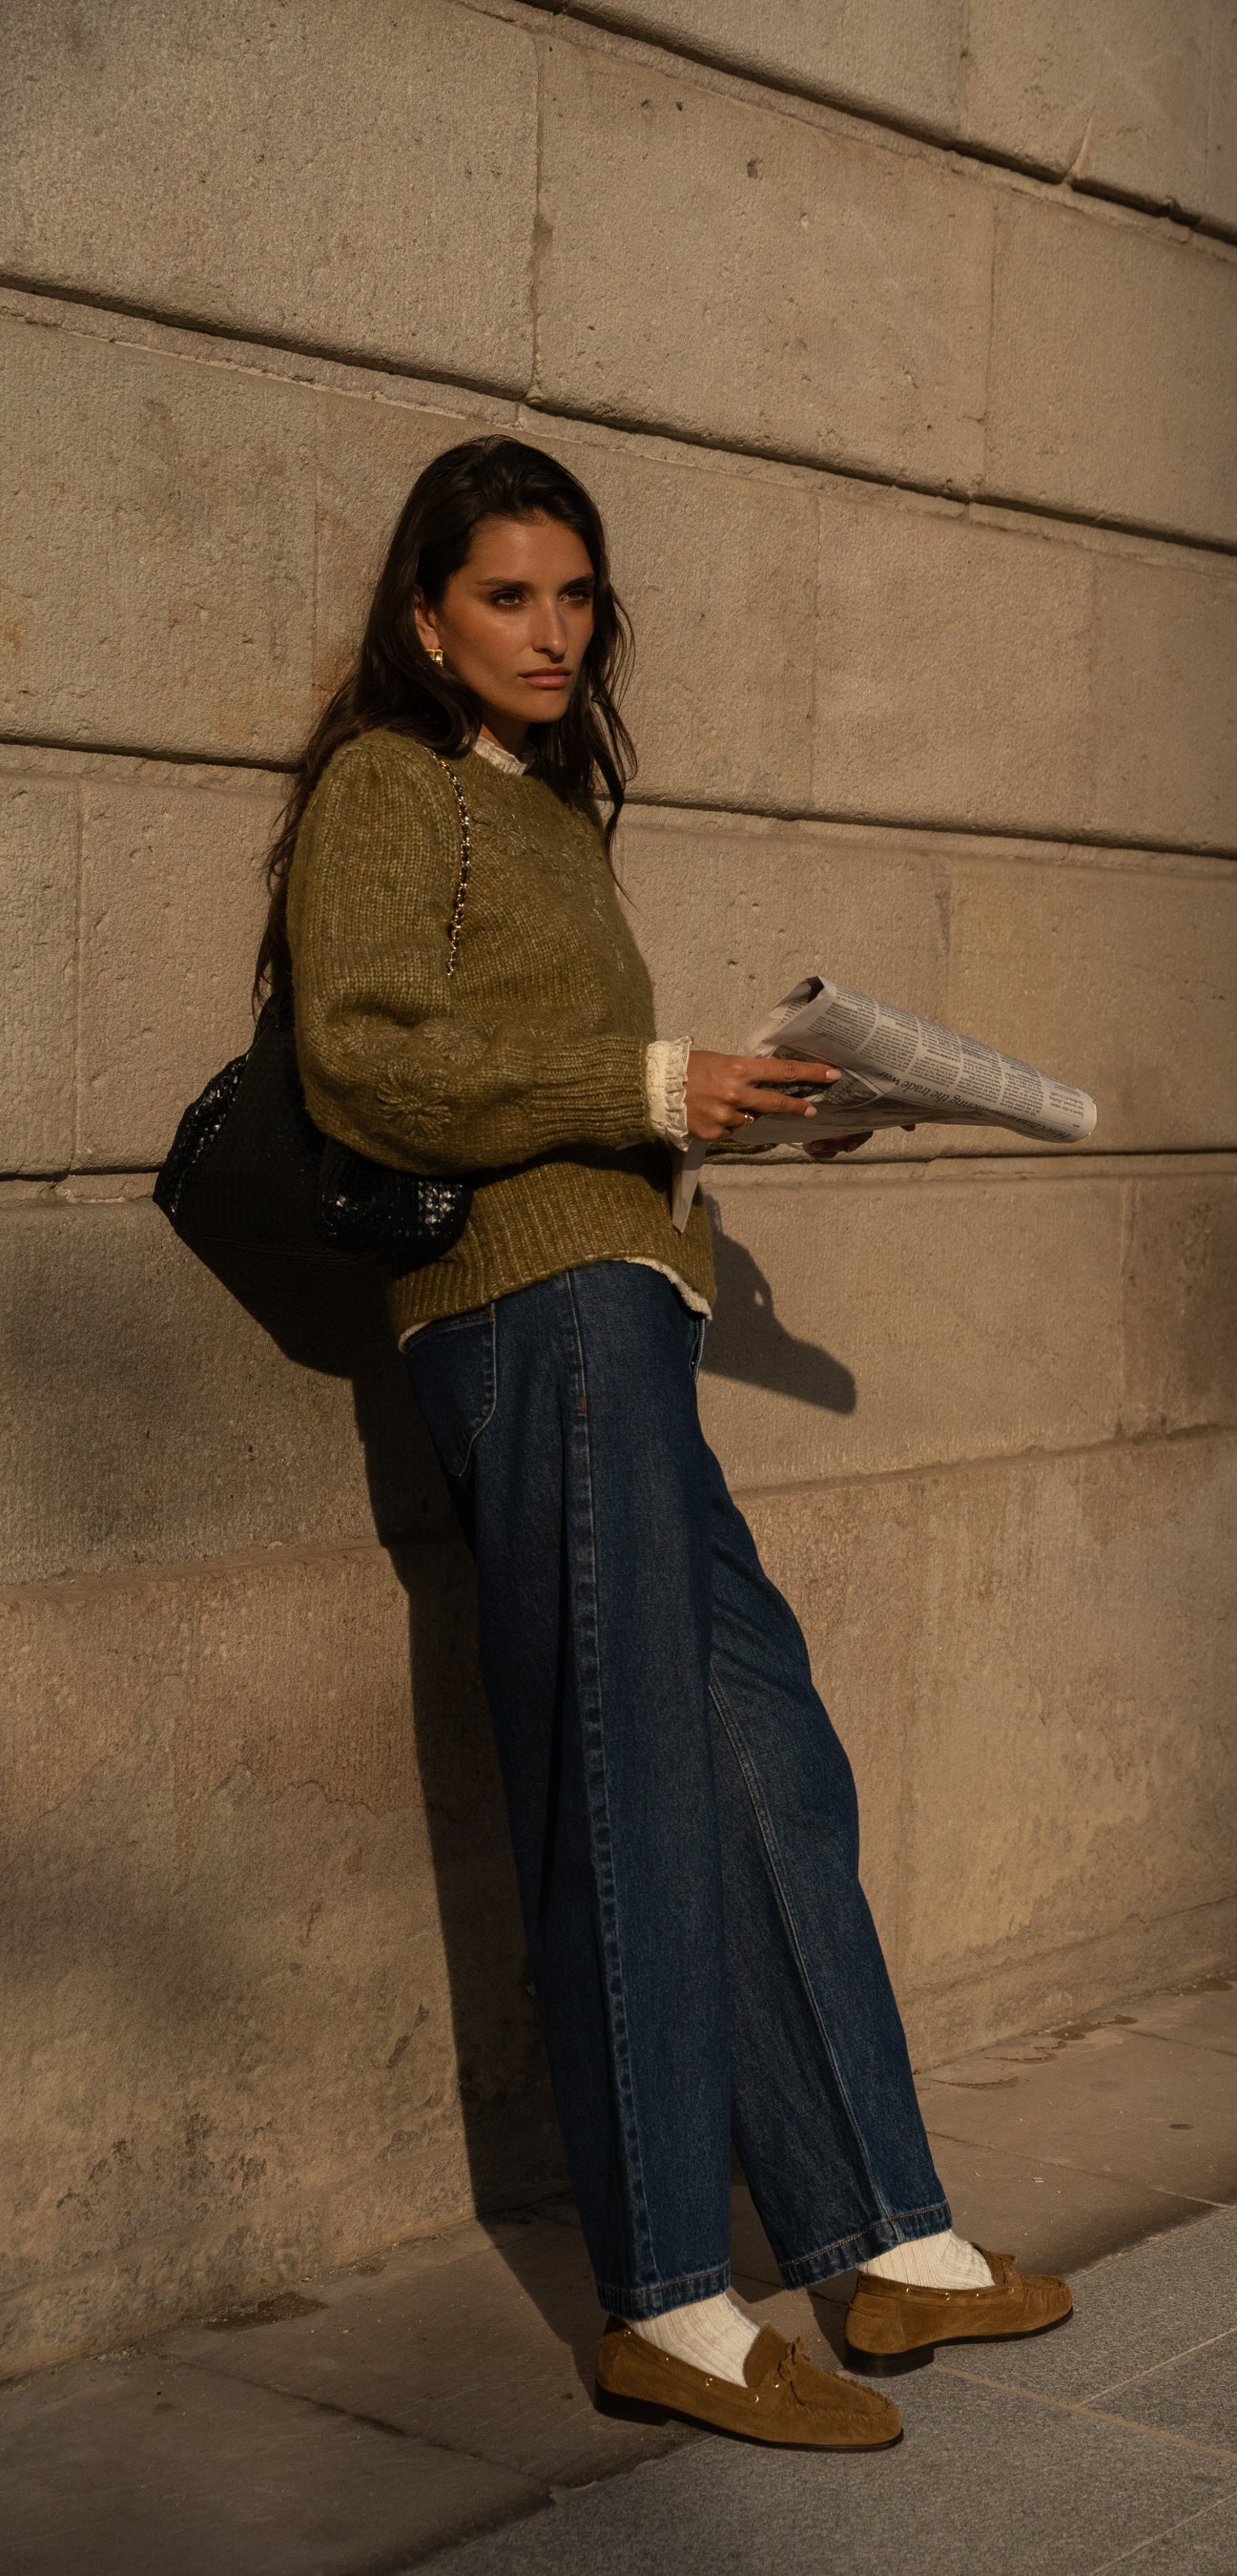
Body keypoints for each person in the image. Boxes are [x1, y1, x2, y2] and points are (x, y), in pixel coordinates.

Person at [265, 434, 1071, 2449]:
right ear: (427, 613)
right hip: (531, 1320)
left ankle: (885, 2238)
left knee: (765, 1755)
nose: (551, 632)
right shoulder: (391, 787)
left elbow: (558, 1088)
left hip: (625, 1313)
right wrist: (650, 1083)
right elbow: (363, 1063)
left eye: (575, 595)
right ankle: (669, 2304)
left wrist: (762, 1111)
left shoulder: (550, 805)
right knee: (626, 1782)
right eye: (507, 596)